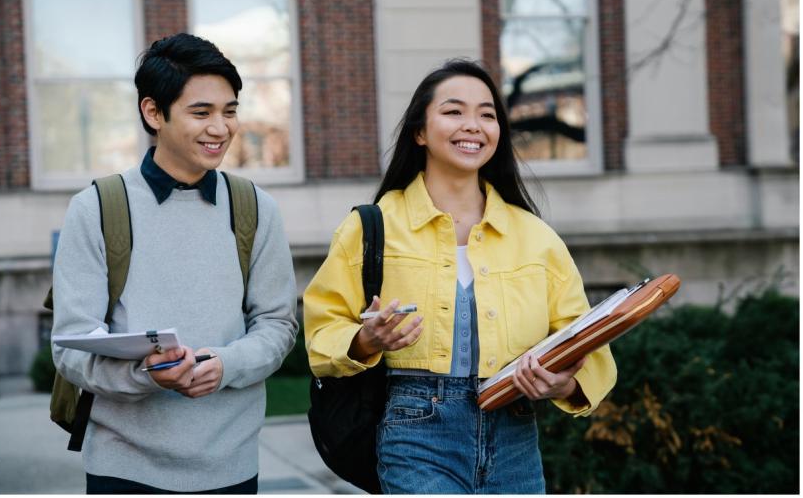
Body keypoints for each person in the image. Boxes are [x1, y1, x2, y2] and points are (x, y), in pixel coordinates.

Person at [303, 59, 616, 494]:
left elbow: (590, 345)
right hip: (415, 435)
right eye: (453, 112)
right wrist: (365, 340)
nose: (473, 125)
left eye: (487, 115)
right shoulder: (371, 227)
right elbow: (322, 331)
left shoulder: (536, 237)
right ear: (420, 131)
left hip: (516, 437)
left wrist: (564, 383)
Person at [51, 33, 298, 494]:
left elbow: (277, 325)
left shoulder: (255, 207)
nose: (221, 128)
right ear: (152, 112)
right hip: (123, 468)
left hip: (232, 467)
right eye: (201, 113)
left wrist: (224, 364)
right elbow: (71, 348)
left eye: (230, 111)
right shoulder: (97, 207)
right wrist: (147, 373)